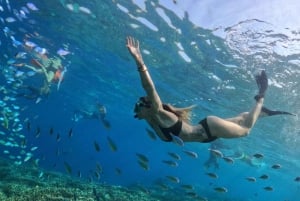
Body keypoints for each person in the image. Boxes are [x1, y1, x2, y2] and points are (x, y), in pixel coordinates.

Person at [126, 36, 295, 143]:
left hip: (209, 128)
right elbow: (146, 112)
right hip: (207, 132)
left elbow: (150, 88)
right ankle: (263, 112)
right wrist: (143, 114)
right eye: (137, 106)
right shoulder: (150, 119)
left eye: (138, 105)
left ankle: (262, 94)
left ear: (149, 106)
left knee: (246, 130)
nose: (135, 108)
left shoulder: (159, 113)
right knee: (242, 118)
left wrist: (140, 62)